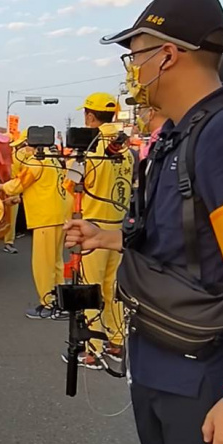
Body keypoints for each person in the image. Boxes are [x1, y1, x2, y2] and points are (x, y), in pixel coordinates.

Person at [66, 1, 223, 444]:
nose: (133, 69)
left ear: (167, 55)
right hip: (160, 359)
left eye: (135, 55)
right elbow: (185, 238)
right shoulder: (183, 132)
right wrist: (111, 237)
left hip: (205, 374)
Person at [72, 92, 135, 368]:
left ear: (90, 115)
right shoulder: (126, 148)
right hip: (119, 231)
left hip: (93, 229)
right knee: (114, 289)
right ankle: (116, 343)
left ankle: (92, 350)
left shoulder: (92, 146)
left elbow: (72, 184)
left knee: (91, 290)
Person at [0, 129, 68, 320]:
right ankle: (60, 301)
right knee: (56, 262)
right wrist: (19, 199)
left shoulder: (35, 162)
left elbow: (16, 185)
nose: (24, 150)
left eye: (25, 145)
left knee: (43, 265)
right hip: (58, 216)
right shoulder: (54, 159)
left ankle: (47, 304)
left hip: (45, 219)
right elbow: (42, 188)